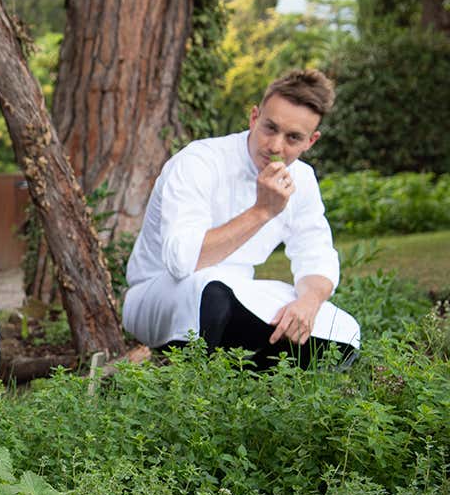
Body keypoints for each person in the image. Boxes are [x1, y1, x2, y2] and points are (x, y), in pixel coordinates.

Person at [123, 68, 360, 369]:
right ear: (254, 118)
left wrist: (308, 304)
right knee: (212, 288)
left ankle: (257, 371)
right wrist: (262, 211)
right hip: (160, 293)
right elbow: (182, 262)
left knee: (344, 328)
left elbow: (317, 258)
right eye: (270, 128)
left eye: (293, 138)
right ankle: (218, 374)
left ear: (310, 141)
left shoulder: (303, 179)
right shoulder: (199, 161)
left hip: (237, 293)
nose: (276, 146)